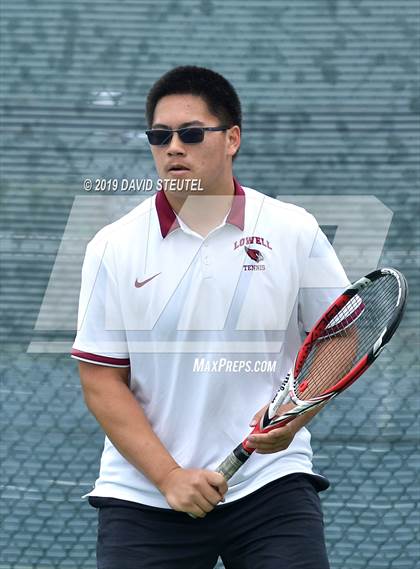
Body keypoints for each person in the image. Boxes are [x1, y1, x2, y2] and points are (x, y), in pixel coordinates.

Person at [72, 66, 349, 569]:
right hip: (144, 496)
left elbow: (339, 338)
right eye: (160, 136)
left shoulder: (292, 230)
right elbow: (100, 379)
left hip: (271, 484)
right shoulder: (112, 245)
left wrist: (295, 416)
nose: (173, 147)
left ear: (232, 140)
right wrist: (170, 477)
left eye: (192, 133)